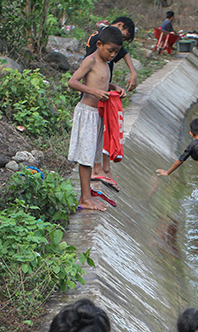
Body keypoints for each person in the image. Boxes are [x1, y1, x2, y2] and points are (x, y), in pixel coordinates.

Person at [67, 27, 126, 211]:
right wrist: (94, 92)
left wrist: (114, 87)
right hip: (87, 113)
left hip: (99, 115)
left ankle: (87, 195)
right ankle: (84, 198)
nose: (113, 55)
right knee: (85, 157)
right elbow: (73, 82)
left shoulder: (106, 63)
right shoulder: (90, 60)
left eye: (116, 52)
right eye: (111, 50)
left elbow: (101, 82)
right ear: (99, 44)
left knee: (92, 155)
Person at [85, 17, 138, 92]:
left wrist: (133, 73)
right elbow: (76, 79)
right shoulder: (102, 38)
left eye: (116, 52)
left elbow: (124, 53)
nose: (113, 55)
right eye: (123, 36)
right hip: (91, 93)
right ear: (119, 25)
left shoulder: (109, 39)